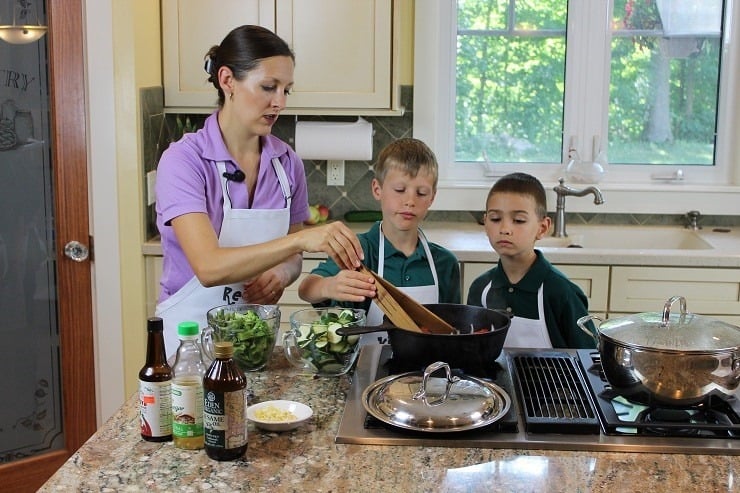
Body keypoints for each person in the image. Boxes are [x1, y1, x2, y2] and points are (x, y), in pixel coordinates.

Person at [155, 25, 363, 354]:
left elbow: (293, 259)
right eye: (268, 87)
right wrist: (302, 239)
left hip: (257, 342)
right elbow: (208, 268)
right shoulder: (183, 161)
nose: (279, 102)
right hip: (189, 346)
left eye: (286, 90)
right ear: (227, 81)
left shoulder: (286, 163)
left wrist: (281, 274)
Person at [298, 138, 461, 343]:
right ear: (377, 189)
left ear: (432, 198)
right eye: (400, 190)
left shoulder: (445, 263)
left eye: (421, 193)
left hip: (429, 372)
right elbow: (306, 288)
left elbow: (453, 333)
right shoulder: (359, 250)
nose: (410, 201)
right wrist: (328, 286)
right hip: (370, 370)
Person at [466, 172, 595, 348]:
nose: (504, 229)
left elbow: (589, 358)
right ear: (485, 223)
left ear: (542, 228)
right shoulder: (480, 289)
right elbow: (473, 352)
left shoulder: (562, 293)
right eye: (495, 219)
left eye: (518, 220)